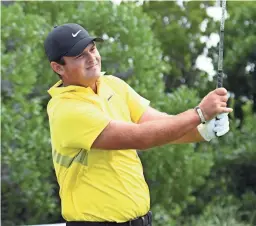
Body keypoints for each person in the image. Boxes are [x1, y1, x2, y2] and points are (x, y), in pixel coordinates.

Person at [44, 23, 232, 226]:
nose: (92, 58)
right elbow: (140, 137)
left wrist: (203, 130)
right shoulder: (66, 109)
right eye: (80, 55)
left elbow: (160, 124)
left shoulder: (113, 84)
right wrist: (200, 113)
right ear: (58, 67)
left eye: (92, 49)